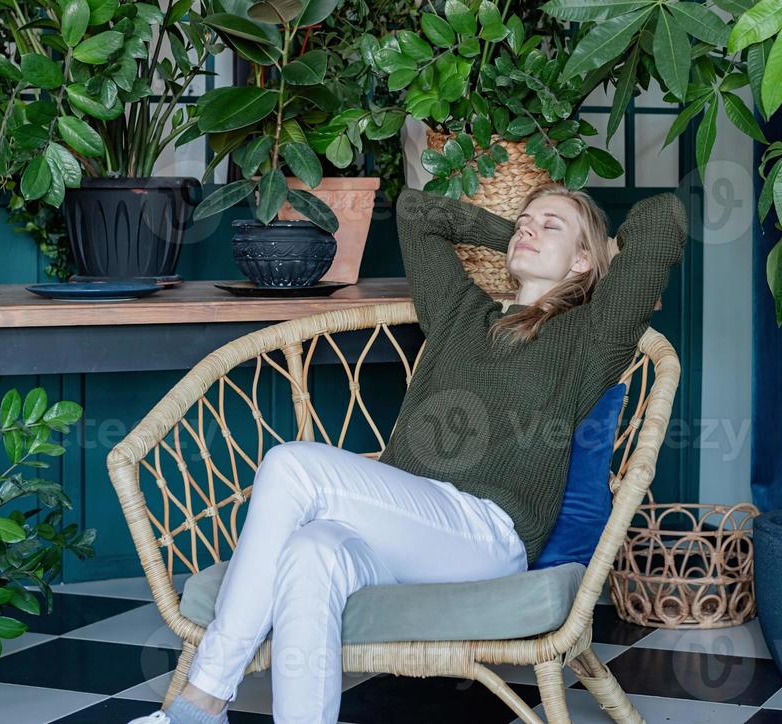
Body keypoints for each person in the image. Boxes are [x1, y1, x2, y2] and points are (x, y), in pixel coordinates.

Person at [132, 182, 688, 724]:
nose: (528, 230)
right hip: (406, 532)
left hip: (486, 534)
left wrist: (601, 252)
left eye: (551, 225)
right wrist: (516, 234)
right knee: (309, 551)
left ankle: (200, 701)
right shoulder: (460, 317)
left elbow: (665, 218)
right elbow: (416, 211)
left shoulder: (591, 335)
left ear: (584, 261)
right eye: (524, 220)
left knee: (291, 465)